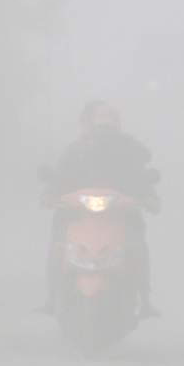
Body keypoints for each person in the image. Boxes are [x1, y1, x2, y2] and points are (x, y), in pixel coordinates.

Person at [41, 99, 160, 315]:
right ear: (89, 125)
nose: (103, 131)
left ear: (116, 126)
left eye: (108, 126)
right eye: (99, 126)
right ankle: (51, 297)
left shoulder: (129, 150)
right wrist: (51, 193)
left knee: (137, 243)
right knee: (58, 240)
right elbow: (60, 176)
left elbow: (140, 176)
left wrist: (148, 196)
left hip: (121, 214)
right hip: (78, 214)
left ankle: (145, 301)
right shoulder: (75, 150)